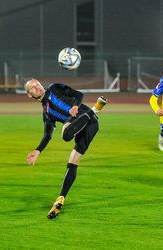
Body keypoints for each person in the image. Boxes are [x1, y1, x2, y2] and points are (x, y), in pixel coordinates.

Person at [25, 78, 107, 219]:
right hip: (79, 127)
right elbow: (47, 136)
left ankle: (94, 109)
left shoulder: (54, 88)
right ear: (30, 95)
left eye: (37, 83)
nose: (37, 87)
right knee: (72, 163)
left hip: (88, 120)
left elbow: (79, 95)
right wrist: (37, 151)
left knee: (65, 135)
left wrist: (75, 106)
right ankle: (61, 198)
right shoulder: (46, 113)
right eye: (32, 87)